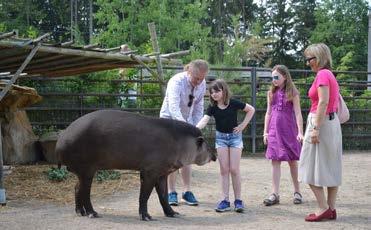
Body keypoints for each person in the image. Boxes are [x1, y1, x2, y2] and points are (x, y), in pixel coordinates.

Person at [196, 79, 255, 213]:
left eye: (217, 91)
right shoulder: (212, 107)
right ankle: (225, 200)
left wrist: (242, 125)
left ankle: (238, 200)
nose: (214, 94)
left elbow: (251, 109)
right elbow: (204, 120)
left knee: (234, 169)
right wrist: (193, 129)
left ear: (223, 90)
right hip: (221, 138)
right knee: (224, 170)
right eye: (212, 92)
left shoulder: (233, 103)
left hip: (235, 138)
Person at [299, 43, 342, 222]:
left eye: (311, 58)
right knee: (331, 166)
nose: (308, 63)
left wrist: (315, 128)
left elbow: (323, 102)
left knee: (306, 166)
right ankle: (331, 209)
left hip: (320, 122)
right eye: (307, 59)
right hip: (331, 123)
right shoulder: (330, 74)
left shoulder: (322, 74)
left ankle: (323, 207)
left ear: (320, 57)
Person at [160, 59, 209, 206]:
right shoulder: (176, 82)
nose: (199, 82)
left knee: (188, 155)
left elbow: (199, 106)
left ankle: (187, 192)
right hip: (169, 121)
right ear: (188, 72)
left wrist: (195, 128)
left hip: (187, 122)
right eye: (196, 78)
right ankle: (171, 192)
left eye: (201, 79)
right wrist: (184, 127)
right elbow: (173, 106)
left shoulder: (202, 83)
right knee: (172, 157)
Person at [262, 65, 304, 206]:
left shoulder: (293, 92)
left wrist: (300, 132)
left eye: (276, 77)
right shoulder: (270, 93)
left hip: (289, 131)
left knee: (293, 161)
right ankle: (275, 194)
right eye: (272, 77)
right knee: (275, 161)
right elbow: (268, 113)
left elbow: (298, 113)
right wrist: (265, 132)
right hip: (274, 132)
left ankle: (297, 192)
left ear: (285, 77)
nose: (274, 80)